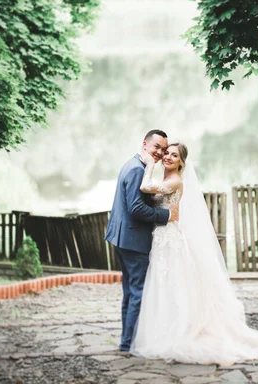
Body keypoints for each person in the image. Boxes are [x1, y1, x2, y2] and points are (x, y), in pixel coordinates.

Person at [130, 142, 258, 366]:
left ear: (182, 162)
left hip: (171, 239)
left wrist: (150, 165)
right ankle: (163, 327)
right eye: (167, 154)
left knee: (174, 283)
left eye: (174, 155)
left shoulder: (175, 180)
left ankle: (181, 329)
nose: (169, 157)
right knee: (164, 284)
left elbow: (145, 188)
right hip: (162, 238)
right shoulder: (166, 179)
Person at [105, 129, 179, 352]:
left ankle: (126, 340)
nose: (160, 152)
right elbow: (136, 208)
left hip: (122, 238)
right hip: (134, 240)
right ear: (145, 145)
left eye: (164, 149)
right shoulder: (138, 170)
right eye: (156, 147)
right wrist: (165, 216)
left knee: (130, 291)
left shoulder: (132, 164)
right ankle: (129, 343)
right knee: (138, 292)